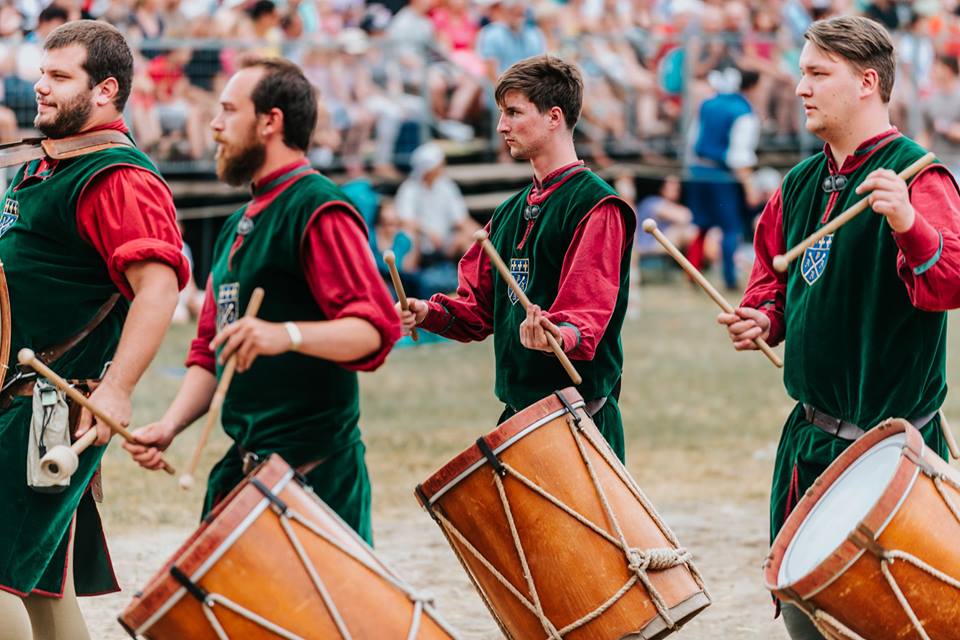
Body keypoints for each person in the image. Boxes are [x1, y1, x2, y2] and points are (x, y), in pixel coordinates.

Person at [717, 16, 960, 640]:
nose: (801, 87)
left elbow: (950, 282)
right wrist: (763, 317)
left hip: (893, 456)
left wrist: (909, 223)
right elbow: (774, 276)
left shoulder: (918, 176)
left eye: (818, 74)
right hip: (811, 448)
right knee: (810, 627)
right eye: (802, 72)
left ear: (867, 83)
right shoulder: (799, 184)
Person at [124, 58, 400, 545]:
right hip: (245, 471)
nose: (214, 125)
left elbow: (375, 329)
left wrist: (284, 335)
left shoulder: (319, 208)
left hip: (316, 479)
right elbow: (210, 351)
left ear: (270, 121)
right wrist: (169, 425)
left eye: (228, 111)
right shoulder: (237, 225)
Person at [0, 20, 189, 640]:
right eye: (41, 74)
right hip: (19, 399)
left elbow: (158, 287)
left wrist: (118, 389)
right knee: (44, 598)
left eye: (59, 77)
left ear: (106, 89)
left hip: (45, 406)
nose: (40, 89)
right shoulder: (48, 165)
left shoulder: (116, 176)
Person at [399, 55, 635, 460]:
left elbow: (586, 314)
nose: (501, 126)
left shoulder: (596, 206)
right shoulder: (508, 214)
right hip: (519, 418)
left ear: (553, 117)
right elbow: (477, 311)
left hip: (580, 418)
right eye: (501, 113)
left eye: (513, 112)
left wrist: (559, 335)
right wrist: (427, 312)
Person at [686, 65, 762, 291]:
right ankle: (729, 279)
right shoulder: (743, 111)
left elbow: (693, 140)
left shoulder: (707, 104)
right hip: (721, 174)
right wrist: (749, 186)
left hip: (698, 171)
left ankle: (692, 273)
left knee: (700, 225)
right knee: (731, 228)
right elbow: (739, 155)